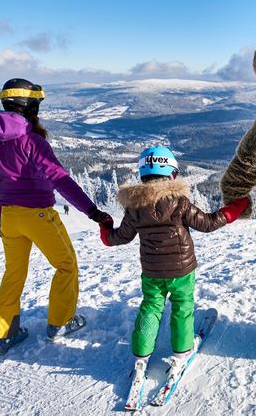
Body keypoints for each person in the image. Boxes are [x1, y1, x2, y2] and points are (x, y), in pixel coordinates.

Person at [0, 78, 113, 356]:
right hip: (38, 215)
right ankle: (60, 323)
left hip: (10, 217)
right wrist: (91, 211)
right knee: (66, 265)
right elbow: (60, 179)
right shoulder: (32, 141)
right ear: (31, 107)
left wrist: (1, 218)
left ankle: (4, 335)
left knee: (14, 273)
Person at [99, 146, 248, 378]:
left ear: (142, 175)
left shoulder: (134, 207)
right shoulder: (179, 202)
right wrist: (232, 210)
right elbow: (208, 224)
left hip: (151, 272)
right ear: (171, 175)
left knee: (151, 308)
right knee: (182, 308)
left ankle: (141, 355)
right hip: (182, 271)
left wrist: (105, 229)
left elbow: (119, 237)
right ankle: (181, 353)